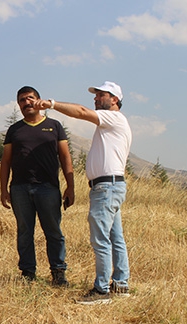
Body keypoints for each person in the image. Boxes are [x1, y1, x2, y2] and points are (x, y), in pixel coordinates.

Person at [32, 81, 132, 304]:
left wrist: (52, 104)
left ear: (114, 99)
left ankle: (102, 289)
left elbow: (81, 112)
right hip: (110, 186)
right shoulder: (113, 123)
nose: (96, 99)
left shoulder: (113, 118)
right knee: (115, 237)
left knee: (100, 239)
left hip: (106, 188)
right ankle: (121, 284)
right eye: (95, 95)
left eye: (101, 95)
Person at [0, 86, 75, 287]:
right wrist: (3, 189)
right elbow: (5, 161)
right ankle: (27, 273)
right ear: (18, 105)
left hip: (48, 188)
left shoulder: (54, 126)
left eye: (30, 98)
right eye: (22, 100)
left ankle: (58, 273)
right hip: (20, 189)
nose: (27, 102)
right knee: (25, 232)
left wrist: (70, 186)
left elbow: (65, 156)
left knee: (53, 232)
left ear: (39, 101)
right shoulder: (14, 130)